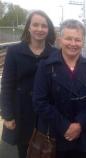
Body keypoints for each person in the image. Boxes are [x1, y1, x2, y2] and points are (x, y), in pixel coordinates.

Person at [32, 19, 86, 158]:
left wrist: (79, 124)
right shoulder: (46, 66)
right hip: (55, 136)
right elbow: (39, 102)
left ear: (83, 42)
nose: (73, 44)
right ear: (60, 40)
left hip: (82, 134)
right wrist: (65, 127)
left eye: (77, 40)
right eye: (68, 39)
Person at [0, 10, 57, 158]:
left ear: (48, 29)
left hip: (46, 111)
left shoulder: (56, 54)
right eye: (35, 25)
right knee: (24, 150)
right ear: (29, 28)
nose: (39, 29)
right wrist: (7, 115)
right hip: (22, 111)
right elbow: (7, 84)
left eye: (44, 26)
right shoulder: (14, 51)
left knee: (48, 150)